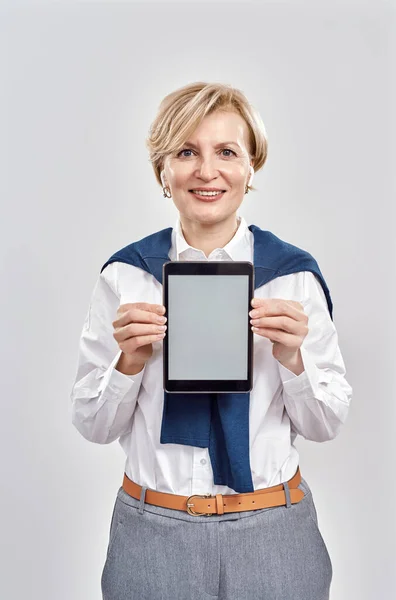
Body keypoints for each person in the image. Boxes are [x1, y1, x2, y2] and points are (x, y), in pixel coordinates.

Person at [70, 81, 353, 600]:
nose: (206, 171)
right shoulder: (125, 277)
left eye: (226, 152)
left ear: (251, 168)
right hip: (152, 532)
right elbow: (92, 425)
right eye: (185, 152)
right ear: (163, 170)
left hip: (273, 531)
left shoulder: (292, 278)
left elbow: (326, 423)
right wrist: (129, 362)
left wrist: (292, 358)